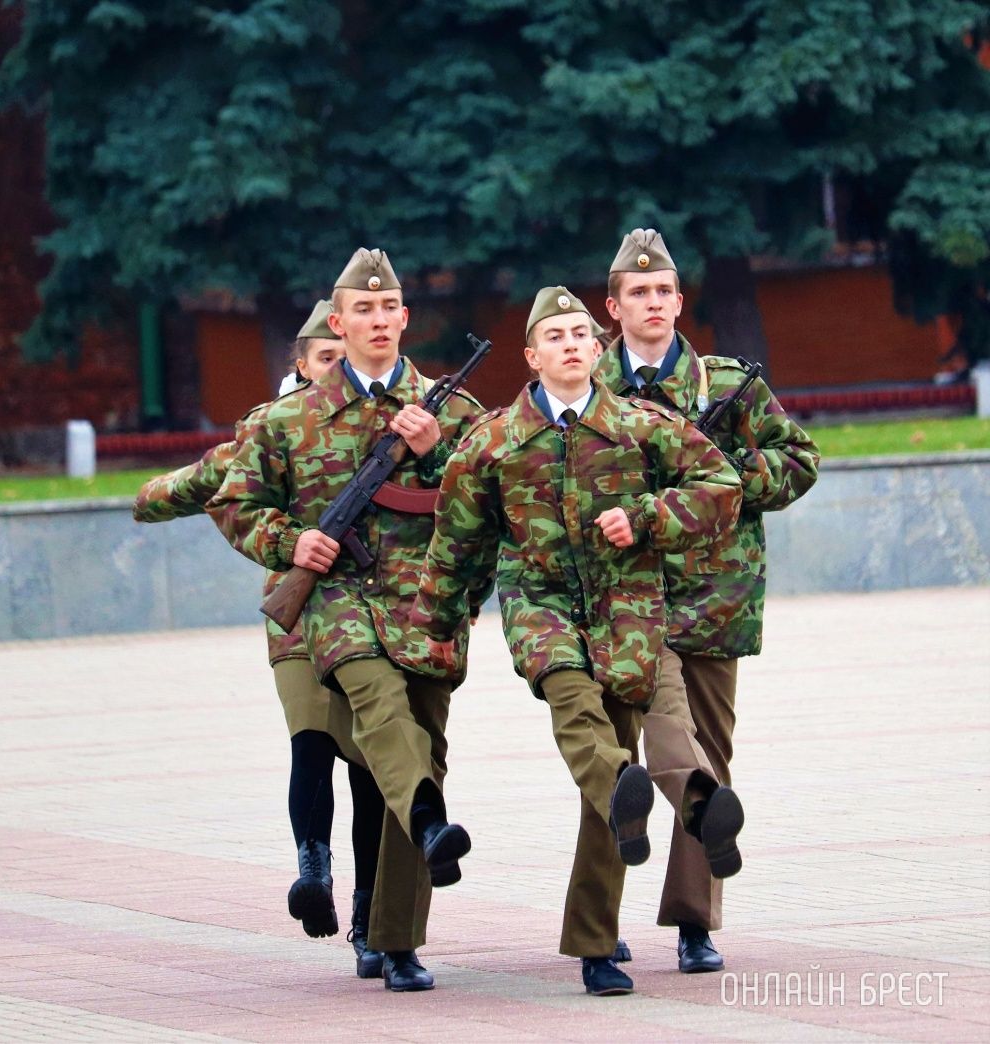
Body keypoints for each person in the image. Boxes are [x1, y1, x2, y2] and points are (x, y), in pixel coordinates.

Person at [411, 286, 747, 996]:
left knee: (626, 779)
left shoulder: (639, 424)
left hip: (631, 610)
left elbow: (720, 482)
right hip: (542, 605)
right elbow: (456, 541)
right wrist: (436, 628)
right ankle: (670, 804)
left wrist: (649, 516)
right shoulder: (494, 439)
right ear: (532, 356)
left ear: (598, 351)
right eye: (554, 336)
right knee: (576, 705)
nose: (570, 344)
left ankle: (599, 937)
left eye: (580, 334)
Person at [207, 248, 484, 992]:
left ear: (404, 317)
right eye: (362, 310)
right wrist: (287, 542)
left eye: (388, 307)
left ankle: (394, 938)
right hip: (336, 608)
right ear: (339, 322)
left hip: (427, 607)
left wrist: (437, 459)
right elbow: (234, 501)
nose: (378, 320)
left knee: (412, 750)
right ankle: (428, 818)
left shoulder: (453, 413)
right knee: (380, 711)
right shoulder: (292, 417)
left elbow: (496, 503)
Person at [132, 300, 397, 978]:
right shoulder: (274, 429)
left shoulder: (391, 417)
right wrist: (152, 495)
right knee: (310, 738)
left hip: (373, 614)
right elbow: (214, 482)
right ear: (302, 364)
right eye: (325, 360)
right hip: (301, 617)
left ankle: (371, 915)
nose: (338, 369)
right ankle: (315, 868)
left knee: (370, 766)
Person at [598, 228, 821, 973]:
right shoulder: (586, 387)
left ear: (679, 302)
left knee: (705, 759)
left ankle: (695, 922)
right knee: (615, 765)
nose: (652, 302)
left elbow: (798, 463)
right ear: (614, 306)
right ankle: (598, 919)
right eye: (639, 292)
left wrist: (720, 472)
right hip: (619, 598)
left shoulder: (727, 385)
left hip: (712, 601)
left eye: (663, 291)